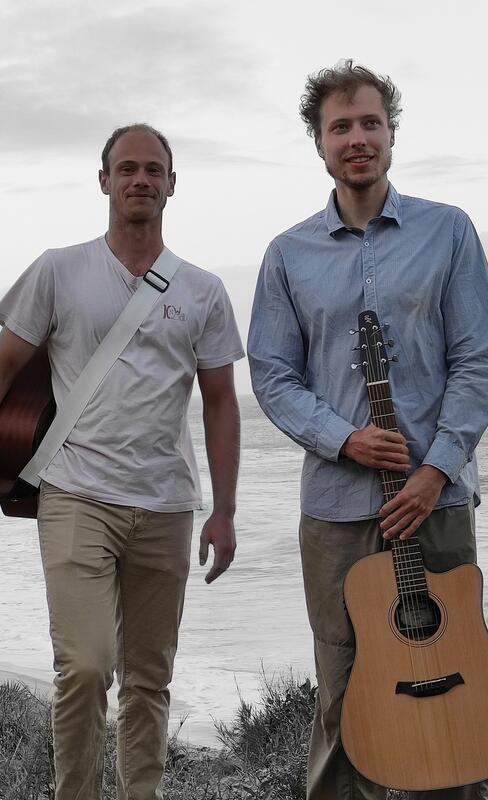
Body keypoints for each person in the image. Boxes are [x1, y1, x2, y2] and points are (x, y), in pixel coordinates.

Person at [248, 60, 488, 800]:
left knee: (457, 691)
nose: (357, 138)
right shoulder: (287, 255)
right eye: (341, 127)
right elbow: (272, 374)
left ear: (391, 133)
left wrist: (436, 470)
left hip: (436, 504)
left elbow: (479, 359)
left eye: (370, 123)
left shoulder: (448, 232)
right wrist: (344, 438)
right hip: (337, 512)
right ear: (319, 142)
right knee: (344, 697)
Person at [0, 124, 244, 800]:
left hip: (167, 505)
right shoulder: (58, 270)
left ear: (172, 185)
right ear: (104, 180)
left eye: (154, 169)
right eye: (127, 168)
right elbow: (6, 367)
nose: (141, 179)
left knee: (149, 678)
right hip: (75, 494)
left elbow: (221, 403)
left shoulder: (204, 290)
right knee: (84, 667)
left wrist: (224, 511)